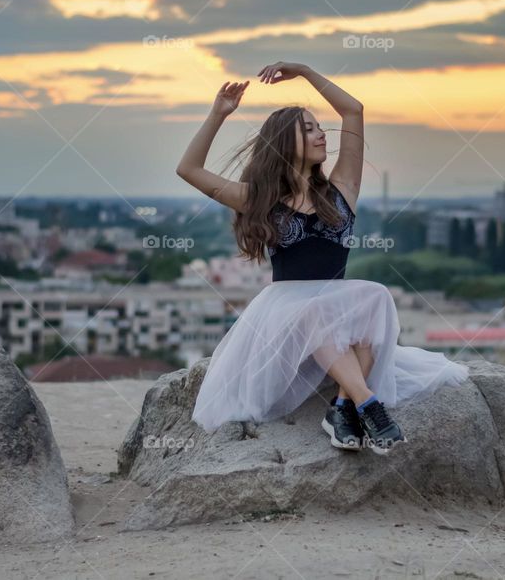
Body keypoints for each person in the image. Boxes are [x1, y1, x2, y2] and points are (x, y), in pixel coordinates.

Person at [175, 61, 468, 454]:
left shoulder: (342, 187)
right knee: (319, 311)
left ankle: (345, 406)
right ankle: (368, 403)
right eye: (309, 129)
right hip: (285, 312)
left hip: (335, 305)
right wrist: (218, 114)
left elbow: (353, 110)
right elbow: (188, 169)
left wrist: (306, 72)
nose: (321, 135)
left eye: (319, 127)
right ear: (283, 142)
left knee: (375, 295)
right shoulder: (257, 198)